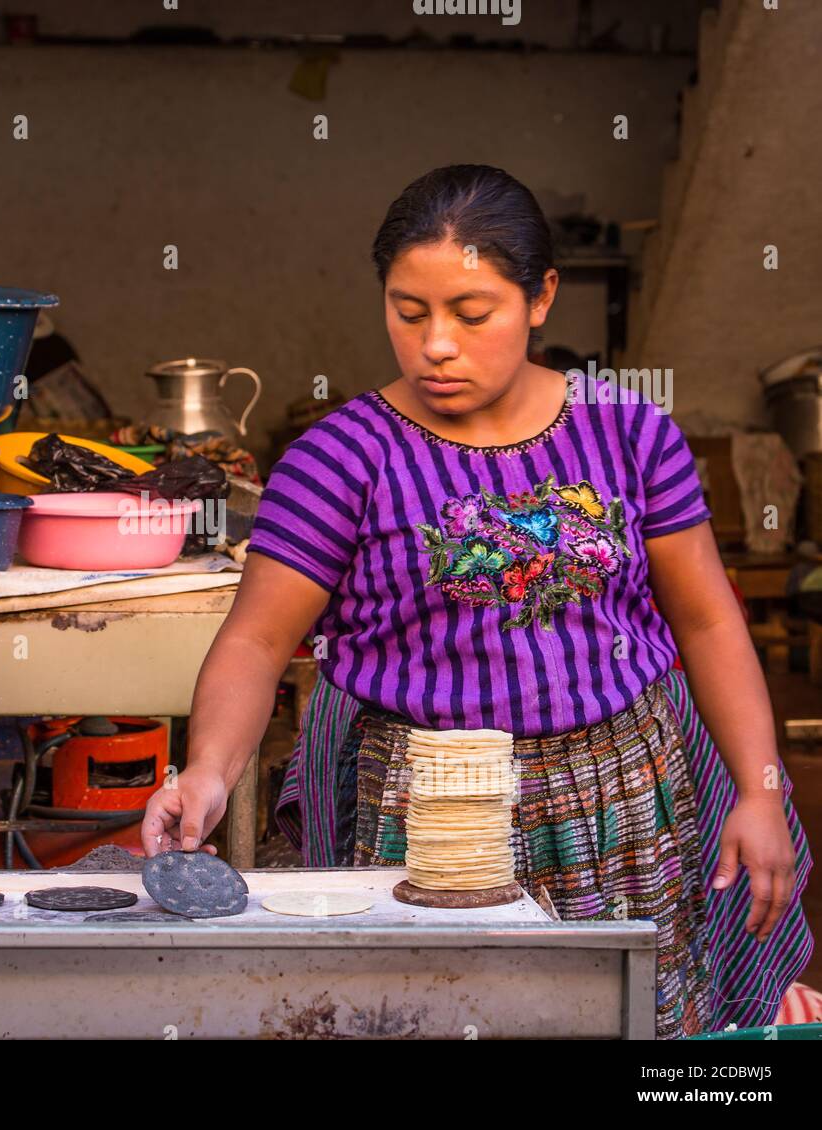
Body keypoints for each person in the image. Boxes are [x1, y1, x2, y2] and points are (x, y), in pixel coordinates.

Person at [141, 164, 813, 1039]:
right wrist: (208, 770)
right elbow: (257, 644)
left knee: (629, 1020)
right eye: (408, 312)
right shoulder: (342, 457)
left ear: (541, 299)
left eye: (472, 313)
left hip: (623, 800)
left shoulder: (631, 434)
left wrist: (758, 789)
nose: (436, 346)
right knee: (428, 1013)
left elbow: (709, 619)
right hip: (428, 814)